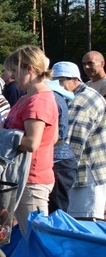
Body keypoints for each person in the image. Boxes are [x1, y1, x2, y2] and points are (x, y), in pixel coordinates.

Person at [0, 46, 57, 234]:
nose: (11, 76)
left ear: (30, 69)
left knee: (36, 242)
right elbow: (55, 137)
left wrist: (0, 134)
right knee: (27, 241)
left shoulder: (38, 101)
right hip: (22, 178)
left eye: (14, 70)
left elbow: (32, 142)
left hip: (31, 180)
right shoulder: (28, 98)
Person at [52, 61, 106, 220]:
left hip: (86, 174)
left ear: (75, 80)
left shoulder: (82, 102)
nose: (56, 85)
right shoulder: (69, 96)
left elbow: (71, 143)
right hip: (77, 172)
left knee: (85, 226)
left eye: (60, 81)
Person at [45, 78, 78, 213]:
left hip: (59, 161)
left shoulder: (51, 98)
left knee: (57, 214)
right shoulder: (54, 96)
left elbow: (53, 135)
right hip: (59, 159)